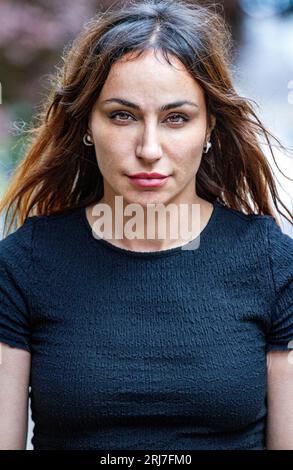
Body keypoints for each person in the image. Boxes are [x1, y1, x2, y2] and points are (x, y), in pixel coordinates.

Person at [0, 0, 293, 451]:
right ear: (86, 125)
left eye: (176, 118)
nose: (149, 148)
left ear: (210, 127)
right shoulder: (23, 265)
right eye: (123, 115)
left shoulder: (273, 264)